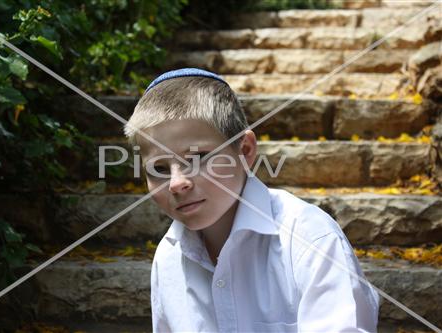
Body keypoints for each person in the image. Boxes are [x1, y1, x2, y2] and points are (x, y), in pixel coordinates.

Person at [124, 68, 379, 332]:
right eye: (159, 169)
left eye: (198, 157)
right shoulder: (168, 258)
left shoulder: (309, 239)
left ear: (244, 150)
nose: (176, 183)